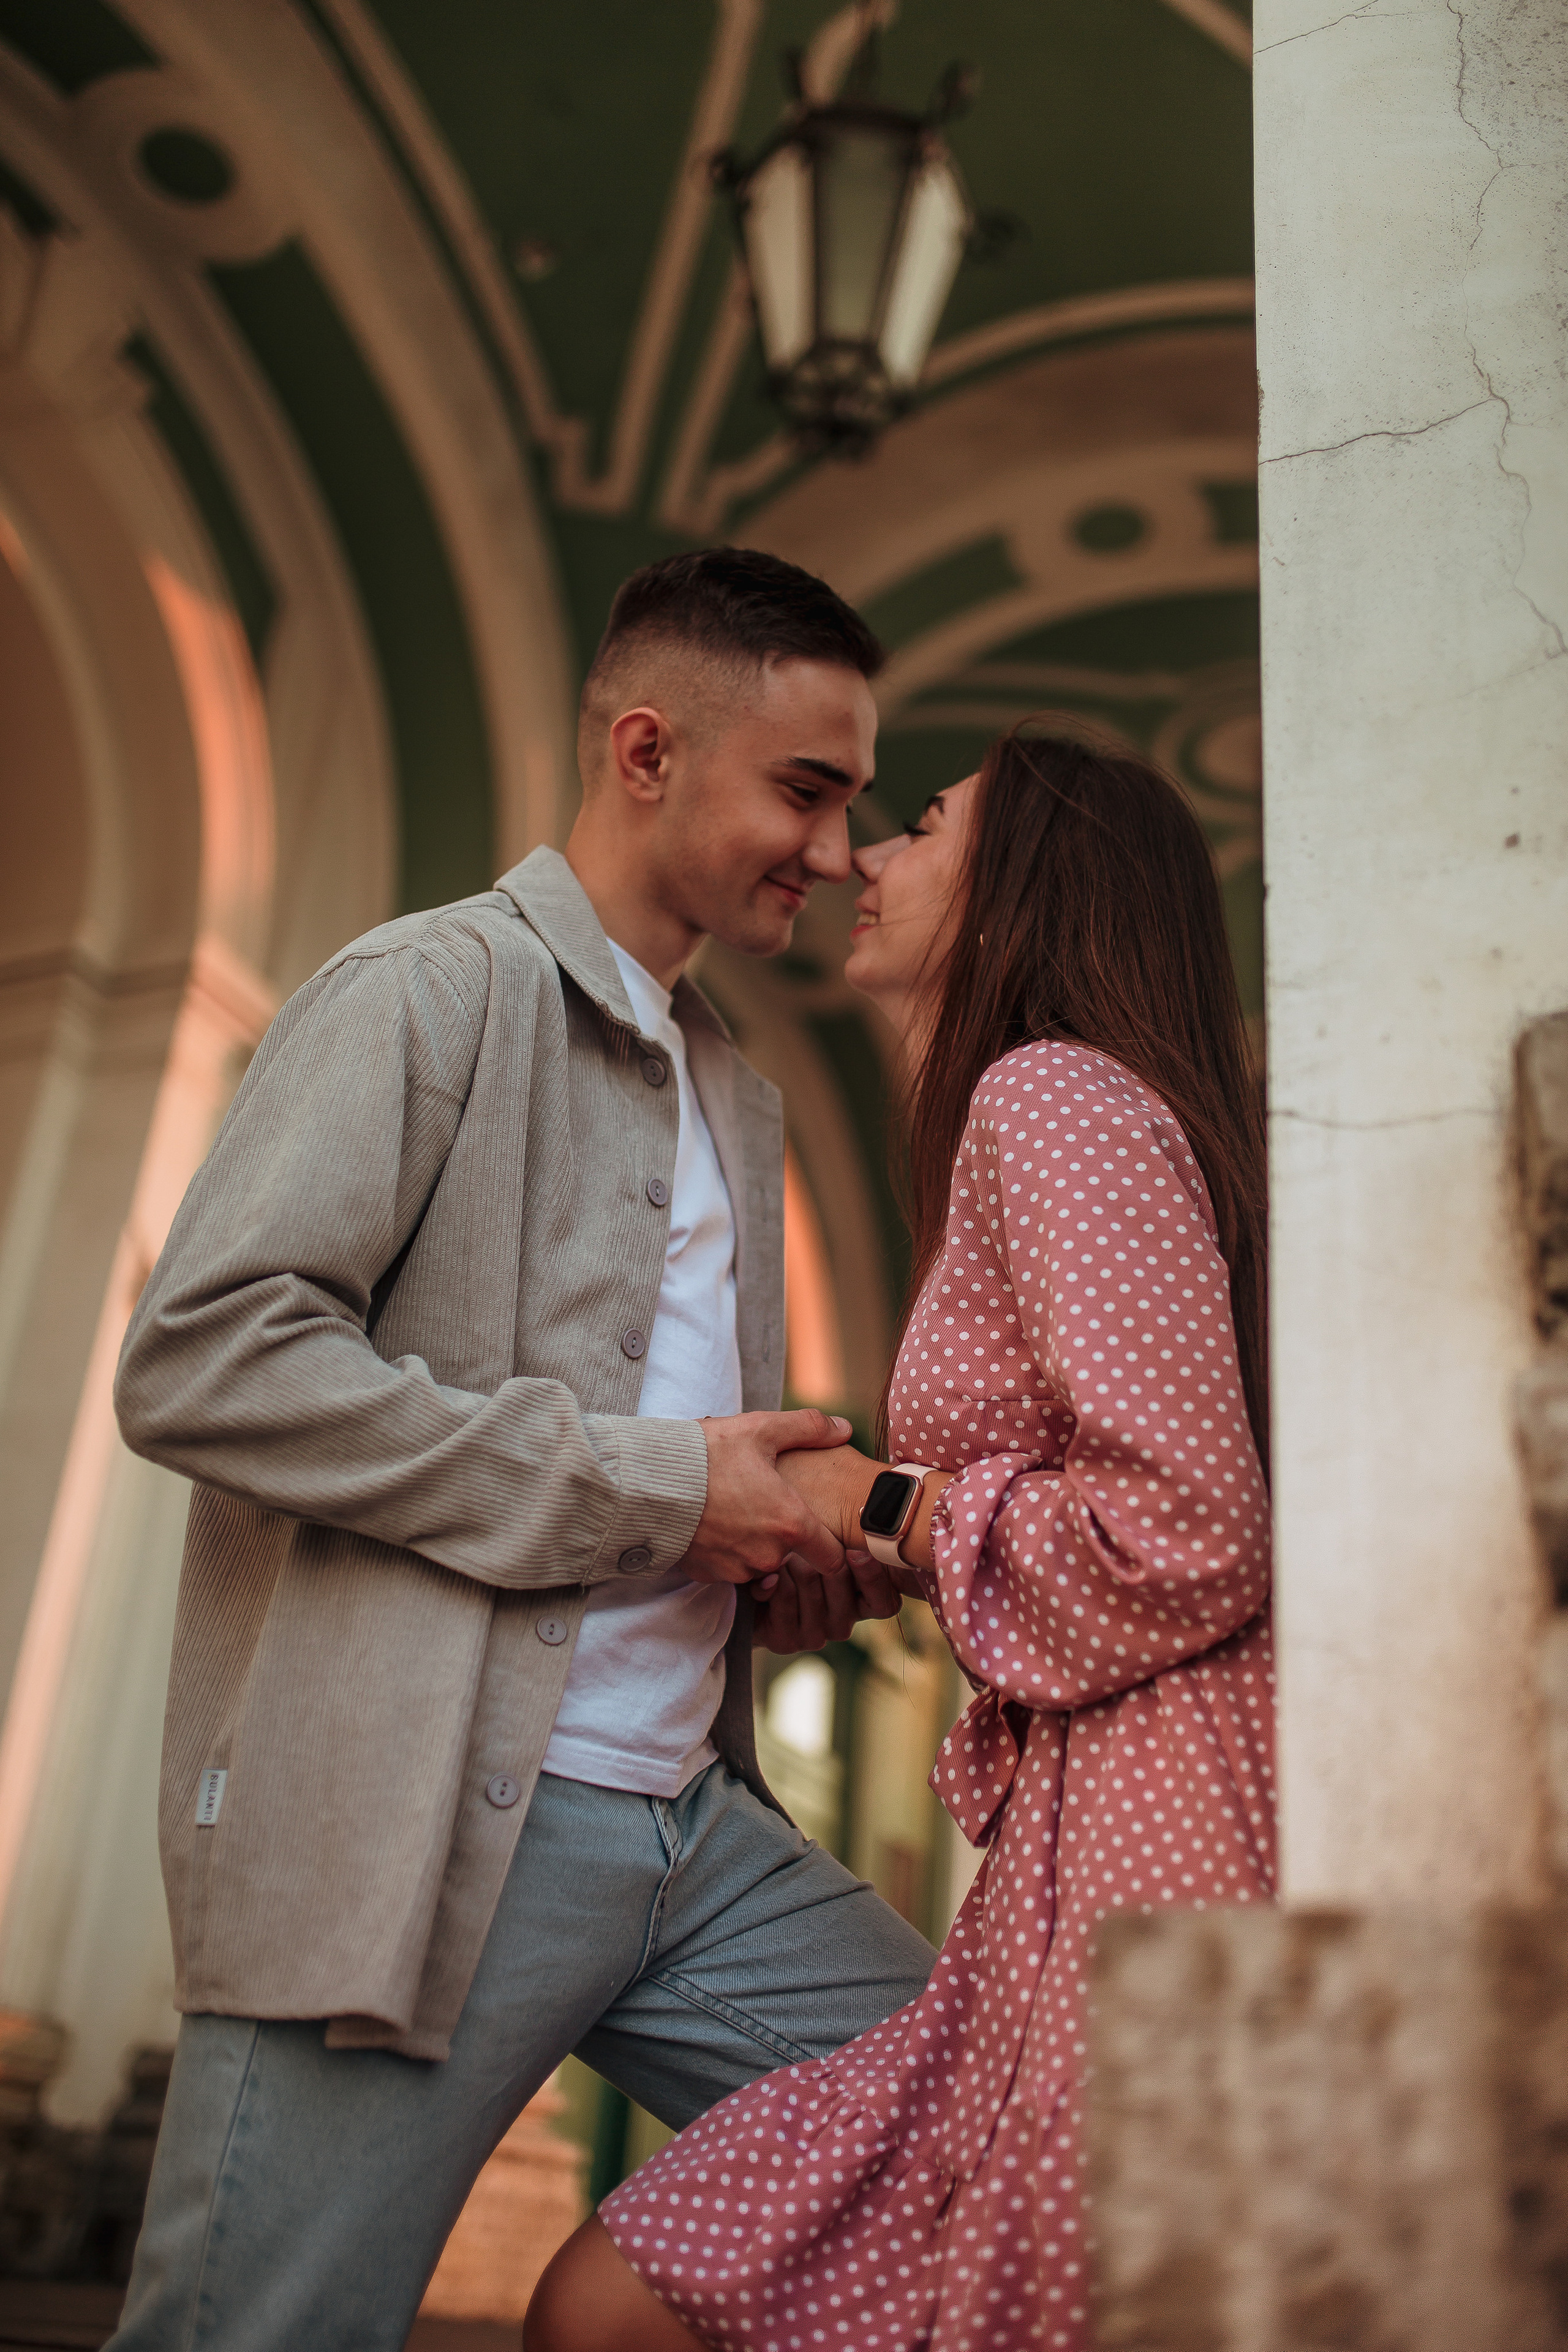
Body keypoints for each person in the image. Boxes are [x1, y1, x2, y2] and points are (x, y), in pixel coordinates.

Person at [106, 548, 936, 2351]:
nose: (836, 846)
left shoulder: (738, 1093)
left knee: (1001, 2132)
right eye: (807, 787)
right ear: (648, 750)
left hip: (698, 1836)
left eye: (858, 801)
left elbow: (677, 1492)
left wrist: (780, 1563)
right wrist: (666, 1490)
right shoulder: (422, 991)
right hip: (422, 1831)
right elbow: (199, 1362)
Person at [526, 726, 1276, 2352]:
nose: (866, 853)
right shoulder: (1047, 1114)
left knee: (627, 2306)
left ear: (1024, 887)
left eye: (925, 824)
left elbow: (1193, 1534)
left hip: (1153, 1840)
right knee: (622, 2300)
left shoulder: (1052, 1092)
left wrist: (860, 1495)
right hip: (1088, 1836)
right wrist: (877, 1561)